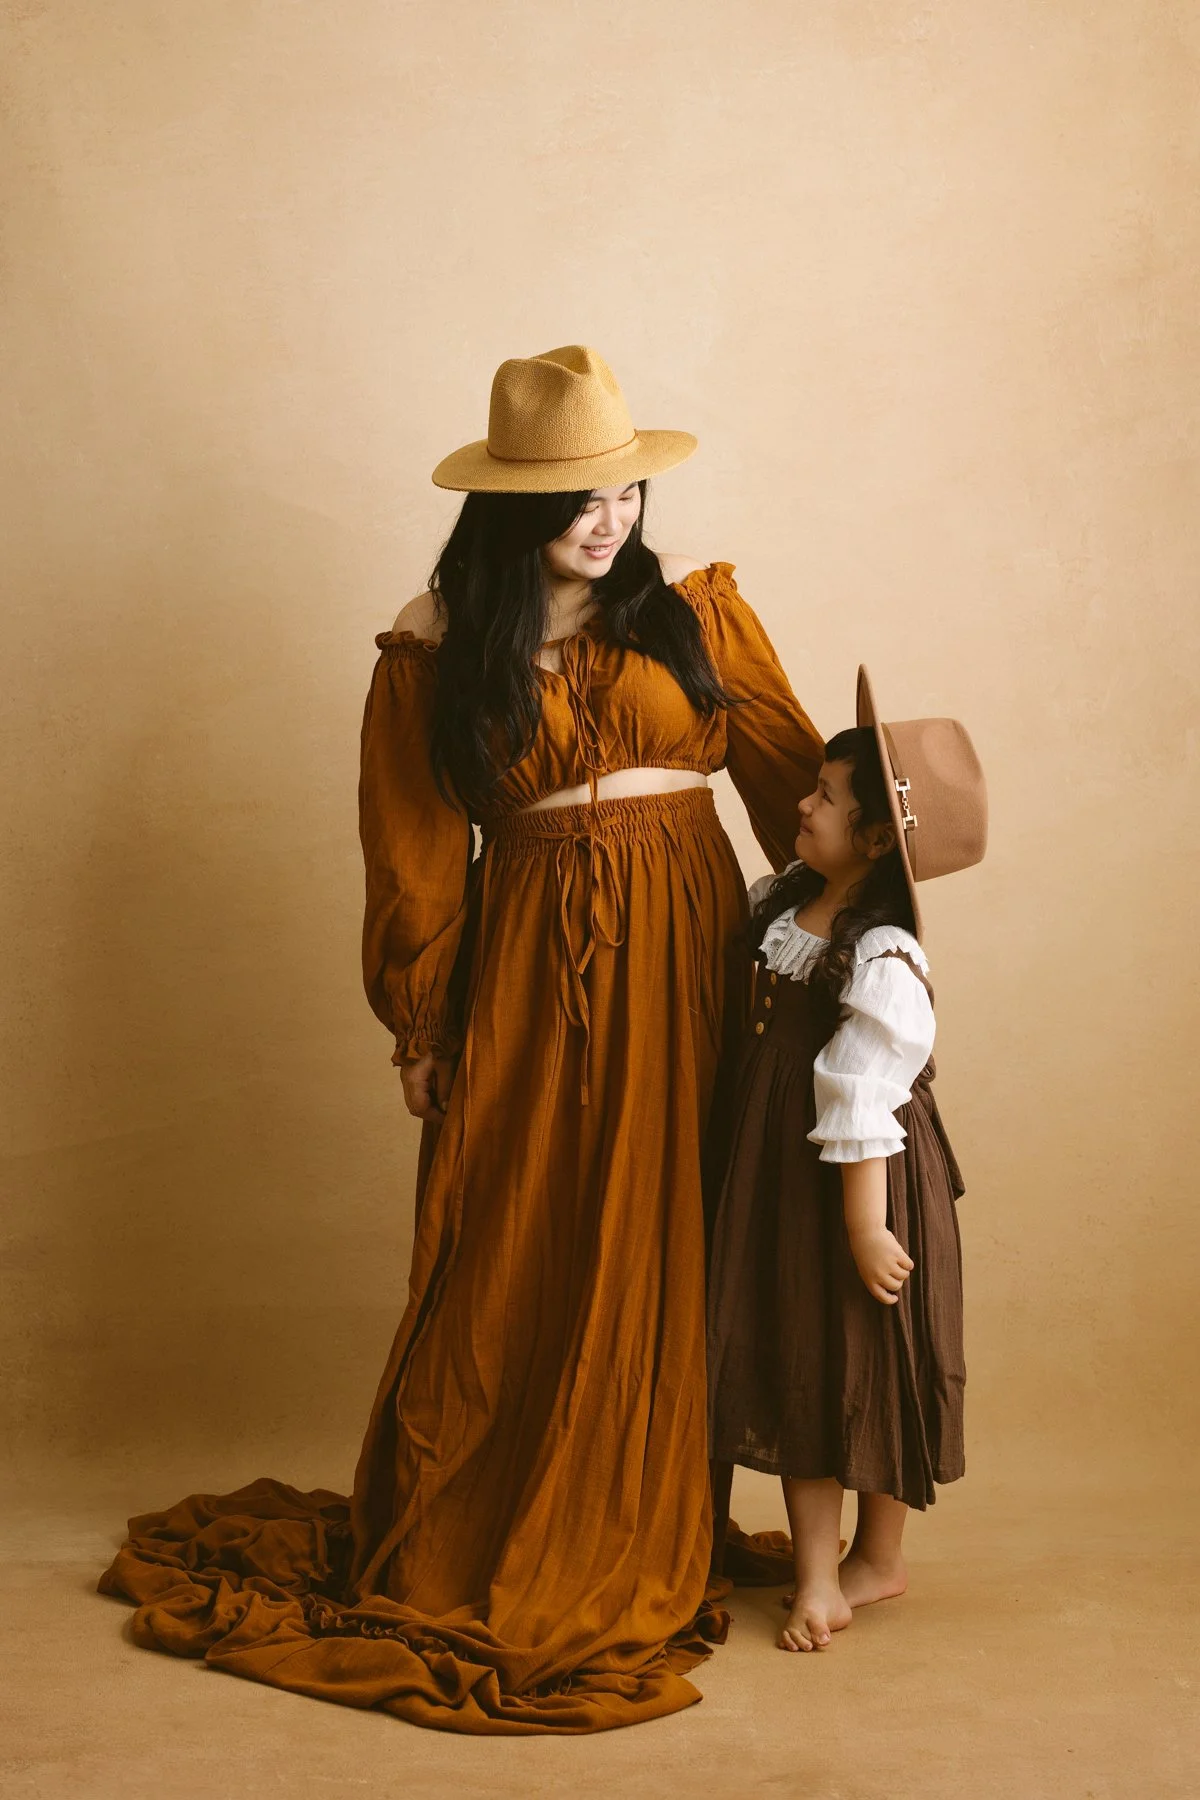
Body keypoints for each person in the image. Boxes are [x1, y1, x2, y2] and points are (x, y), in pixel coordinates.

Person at [99, 345, 824, 1731]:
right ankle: (496, 1515)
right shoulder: (437, 644)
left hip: (690, 951)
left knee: (672, 1229)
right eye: (572, 495)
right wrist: (420, 1019)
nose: (605, 517)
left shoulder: (696, 619)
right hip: (533, 962)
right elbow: (416, 850)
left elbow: (802, 789)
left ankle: (637, 1505)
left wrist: (864, 935)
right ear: (506, 505)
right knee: (518, 1231)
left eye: (619, 489)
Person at [706, 667, 987, 1652]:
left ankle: (868, 1563)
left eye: (824, 797)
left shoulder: (882, 956)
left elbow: (866, 1099)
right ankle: (819, 1567)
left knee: (868, 1358)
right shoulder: (788, 903)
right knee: (802, 1355)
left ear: (876, 840)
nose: (801, 801)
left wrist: (866, 1225)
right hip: (786, 1171)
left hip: (863, 1176)